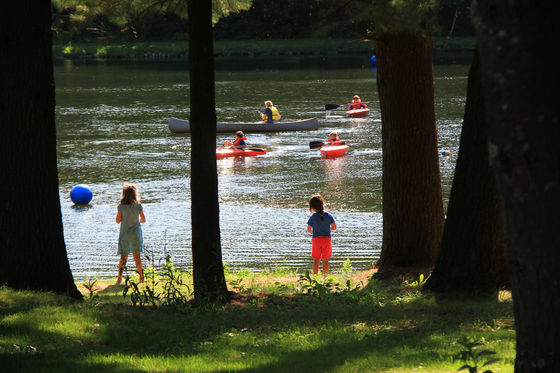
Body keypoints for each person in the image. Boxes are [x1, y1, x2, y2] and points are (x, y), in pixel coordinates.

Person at [115, 184, 145, 284]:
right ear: (135, 194)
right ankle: (141, 277)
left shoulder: (121, 206)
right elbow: (143, 219)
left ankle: (119, 277)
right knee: (137, 256)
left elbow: (118, 221)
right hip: (136, 233)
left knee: (124, 256)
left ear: (124, 194)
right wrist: (137, 220)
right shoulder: (138, 205)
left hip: (125, 234)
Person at [306, 194, 337, 275]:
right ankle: (325, 277)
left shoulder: (313, 217)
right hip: (326, 239)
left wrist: (315, 232)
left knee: (316, 260)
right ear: (322, 204)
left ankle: (315, 278)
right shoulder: (329, 215)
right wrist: (327, 229)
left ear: (312, 207)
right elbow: (334, 227)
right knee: (325, 260)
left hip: (316, 240)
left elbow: (309, 230)